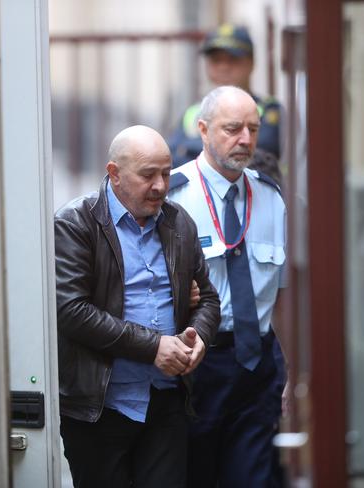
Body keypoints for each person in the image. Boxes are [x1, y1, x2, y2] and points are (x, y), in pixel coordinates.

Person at [54, 125, 221, 488]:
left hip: (166, 402)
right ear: (114, 174)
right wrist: (153, 346)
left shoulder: (179, 223)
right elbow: (70, 310)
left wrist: (200, 338)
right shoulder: (76, 223)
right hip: (100, 406)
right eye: (148, 175)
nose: (161, 185)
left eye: (165, 172)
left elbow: (207, 297)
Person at [167, 86, 288, 488]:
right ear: (203, 130)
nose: (246, 140)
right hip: (199, 366)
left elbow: (283, 294)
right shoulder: (173, 198)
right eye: (232, 128)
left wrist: (290, 371)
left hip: (257, 366)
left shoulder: (271, 199)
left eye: (252, 129)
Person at [168, 23, 282, 173]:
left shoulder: (268, 110)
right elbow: (172, 156)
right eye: (216, 60)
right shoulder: (193, 112)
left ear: (251, 62)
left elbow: (259, 152)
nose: (223, 67)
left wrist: (191, 149)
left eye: (232, 60)